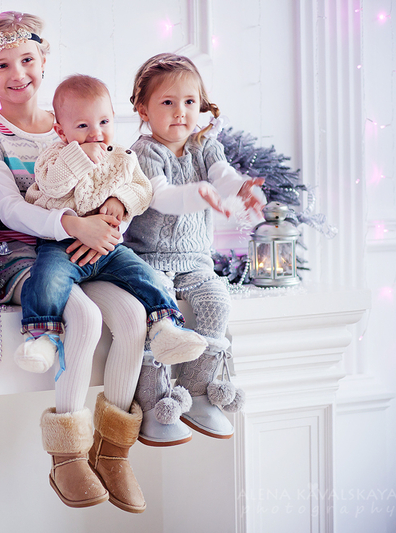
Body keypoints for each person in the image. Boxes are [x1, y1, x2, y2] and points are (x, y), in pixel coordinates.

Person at [0, 12, 158, 513]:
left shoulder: (76, 120)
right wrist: (74, 226)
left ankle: (114, 451)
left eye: (27, 59)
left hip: (86, 247)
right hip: (21, 251)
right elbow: (11, 209)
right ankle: (67, 453)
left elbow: (119, 179)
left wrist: (111, 218)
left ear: (43, 61)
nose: (18, 73)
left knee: (133, 317)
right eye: (2, 65)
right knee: (85, 318)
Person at [17, 74, 208, 379]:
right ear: (61, 130)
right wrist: (78, 157)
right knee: (47, 278)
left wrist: (121, 200)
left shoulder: (122, 157)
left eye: (104, 122)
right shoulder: (53, 156)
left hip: (109, 247)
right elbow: (52, 185)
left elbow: (143, 190)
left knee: (144, 275)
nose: (96, 133)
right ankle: (43, 336)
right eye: (83, 126)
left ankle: (164, 328)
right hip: (62, 246)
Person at [125, 53, 266, 445]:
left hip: (196, 261)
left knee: (217, 304)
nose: (180, 112)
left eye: (189, 101)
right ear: (143, 109)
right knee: (158, 316)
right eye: (167, 102)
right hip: (150, 259)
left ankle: (197, 391)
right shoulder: (144, 152)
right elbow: (161, 196)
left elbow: (223, 176)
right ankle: (154, 400)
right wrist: (198, 192)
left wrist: (241, 188)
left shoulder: (205, 146)